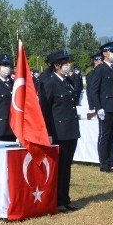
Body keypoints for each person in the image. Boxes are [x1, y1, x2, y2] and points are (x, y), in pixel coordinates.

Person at [39, 50, 81, 211]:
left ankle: (65, 199)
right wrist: (48, 133)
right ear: (57, 65)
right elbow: (45, 110)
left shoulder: (68, 81)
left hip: (71, 130)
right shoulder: (49, 83)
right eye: (65, 63)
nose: (68, 66)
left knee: (67, 166)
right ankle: (56, 201)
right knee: (59, 167)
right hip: (58, 132)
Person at [86, 42, 113, 172]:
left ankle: (110, 163)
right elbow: (94, 90)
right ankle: (104, 164)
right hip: (105, 107)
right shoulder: (100, 69)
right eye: (111, 52)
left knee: (112, 136)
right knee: (104, 136)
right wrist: (98, 107)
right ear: (105, 54)